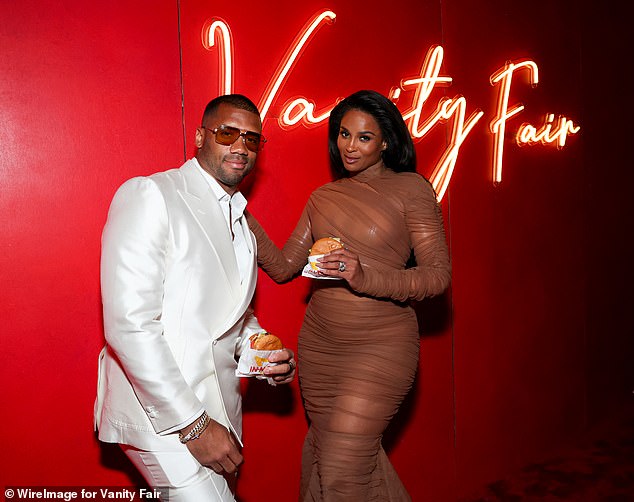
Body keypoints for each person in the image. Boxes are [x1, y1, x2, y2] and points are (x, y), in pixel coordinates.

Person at [246, 89, 451, 500]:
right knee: (335, 460)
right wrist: (237, 212)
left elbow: (437, 276)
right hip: (322, 347)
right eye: (343, 134)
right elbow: (286, 266)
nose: (349, 146)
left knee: (342, 467)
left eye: (363, 137)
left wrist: (366, 276)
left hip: (381, 346)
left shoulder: (412, 190)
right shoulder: (323, 197)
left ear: (386, 141)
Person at [94, 94, 296, 502]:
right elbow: (129, 324)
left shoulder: (241, 222)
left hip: (220, 410)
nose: (241, 146)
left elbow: (234, 319)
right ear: (201, 136)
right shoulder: (152, 193)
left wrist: (261, 352)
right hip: (162, 414)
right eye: (228, 133)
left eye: (252, 139)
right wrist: (193, 425)